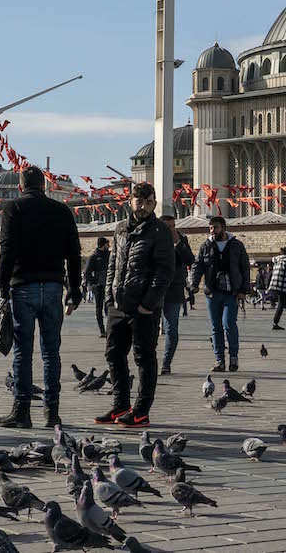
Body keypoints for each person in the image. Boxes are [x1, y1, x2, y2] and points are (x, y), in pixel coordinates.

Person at [0, 166, 81, 429]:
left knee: (23, 350)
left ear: (21, 186)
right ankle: (51, 412)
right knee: (51, 351)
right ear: (44, 186)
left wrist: (2, 284)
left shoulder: (14, 209)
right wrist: (74, 289)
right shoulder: (62, 211)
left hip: (24, 286)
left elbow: (7, 249)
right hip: (54, 286)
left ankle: (22, 411)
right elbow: (74, 253)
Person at [96, 182, 173, 428]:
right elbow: (113, 264)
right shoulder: (120, 229)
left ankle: (141, 411)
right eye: (139, 202)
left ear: (154, 204)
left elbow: (165, 271)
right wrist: (109, 297)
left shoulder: (159, 231)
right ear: (130, 201)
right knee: (114, 354)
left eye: (148, 203)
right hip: (118, 305)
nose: (143, 207)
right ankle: (121, 405)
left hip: (143, 308)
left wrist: (147, 305)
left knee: (144, 357)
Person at [189, 214, 249, 372]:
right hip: (212, 293)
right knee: (216, 327)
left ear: (223, 228)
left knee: (228, 324)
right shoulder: (206, 246)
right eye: (210, 228)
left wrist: (243, 290)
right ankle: (219, 360)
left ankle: (233, 357)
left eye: (215, 227)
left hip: (231, 292)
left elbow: (245, 268)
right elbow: (198, 266)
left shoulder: (236, 245)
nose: (212, 231)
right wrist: (193, 284)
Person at [159, 210, 194, 376]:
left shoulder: (181, 239)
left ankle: (166, 363)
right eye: (168, 227)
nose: (172, 230)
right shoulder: (152, 239)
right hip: (154, 289)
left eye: (174, 226)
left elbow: (189, 260)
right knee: (149, 330)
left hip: (174, 289)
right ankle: (149, 362)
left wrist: (178, 244)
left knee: (172, 329)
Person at [84, 237, 111, 336]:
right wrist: (94, 282)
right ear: (103, 245)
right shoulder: (94, 257)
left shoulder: (109, 255)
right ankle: (102, 330)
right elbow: (87, 272)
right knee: (99, 307)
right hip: (99, 286)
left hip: (109, 284)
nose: (108, 246)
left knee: (110, 307)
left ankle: (110, 329)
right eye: (107, 244)